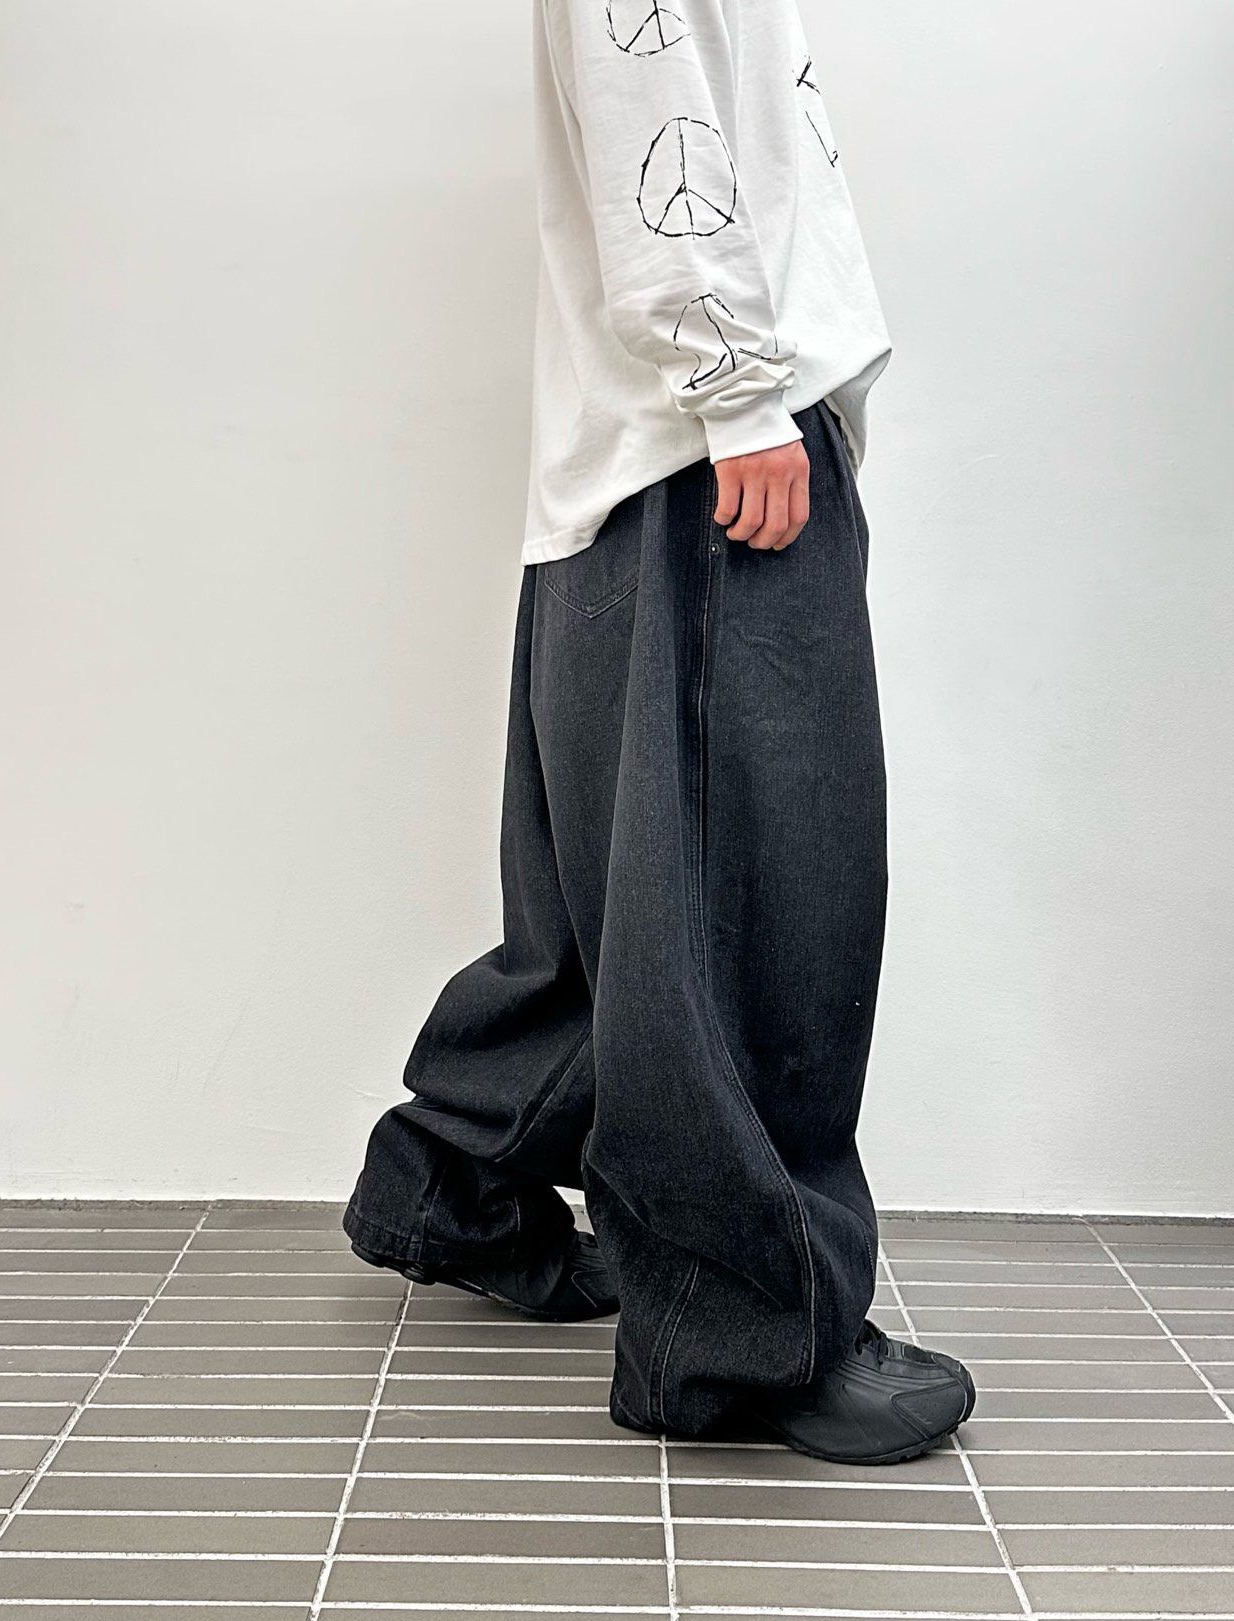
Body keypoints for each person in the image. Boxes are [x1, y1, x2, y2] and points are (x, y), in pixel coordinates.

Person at [344, 0, 975, 1464]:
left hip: (638, 465)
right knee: (762, 910)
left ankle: (457, 1188)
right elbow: (656, 121)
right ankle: (748, 1338)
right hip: (708, 452)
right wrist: (743, 396)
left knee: (604, 917)